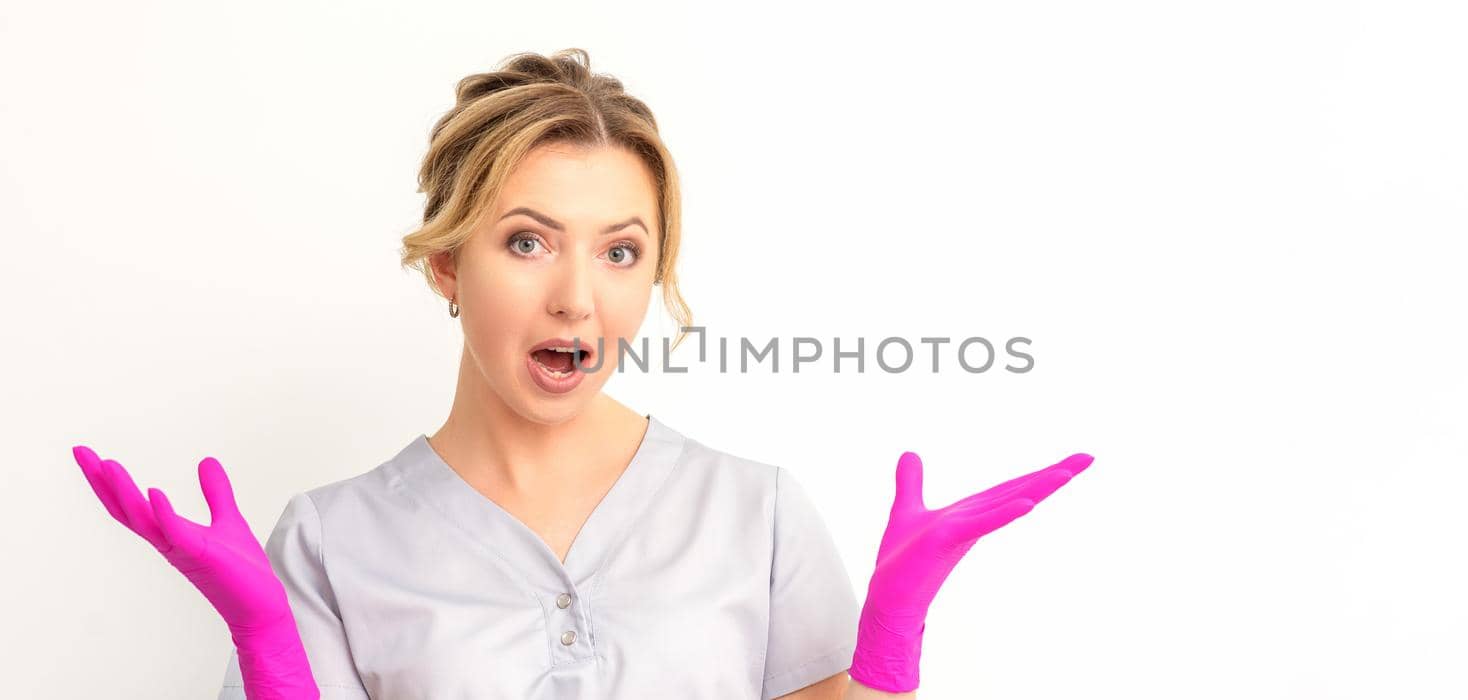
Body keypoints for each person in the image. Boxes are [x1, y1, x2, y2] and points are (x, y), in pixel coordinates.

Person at [70, 48, 1095, 700]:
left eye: (619, 251)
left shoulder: (757, 513)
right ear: (445, 263)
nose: (577, 299)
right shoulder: (332, 544)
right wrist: (270, 649)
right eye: (527, 242)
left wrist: (887, 651)